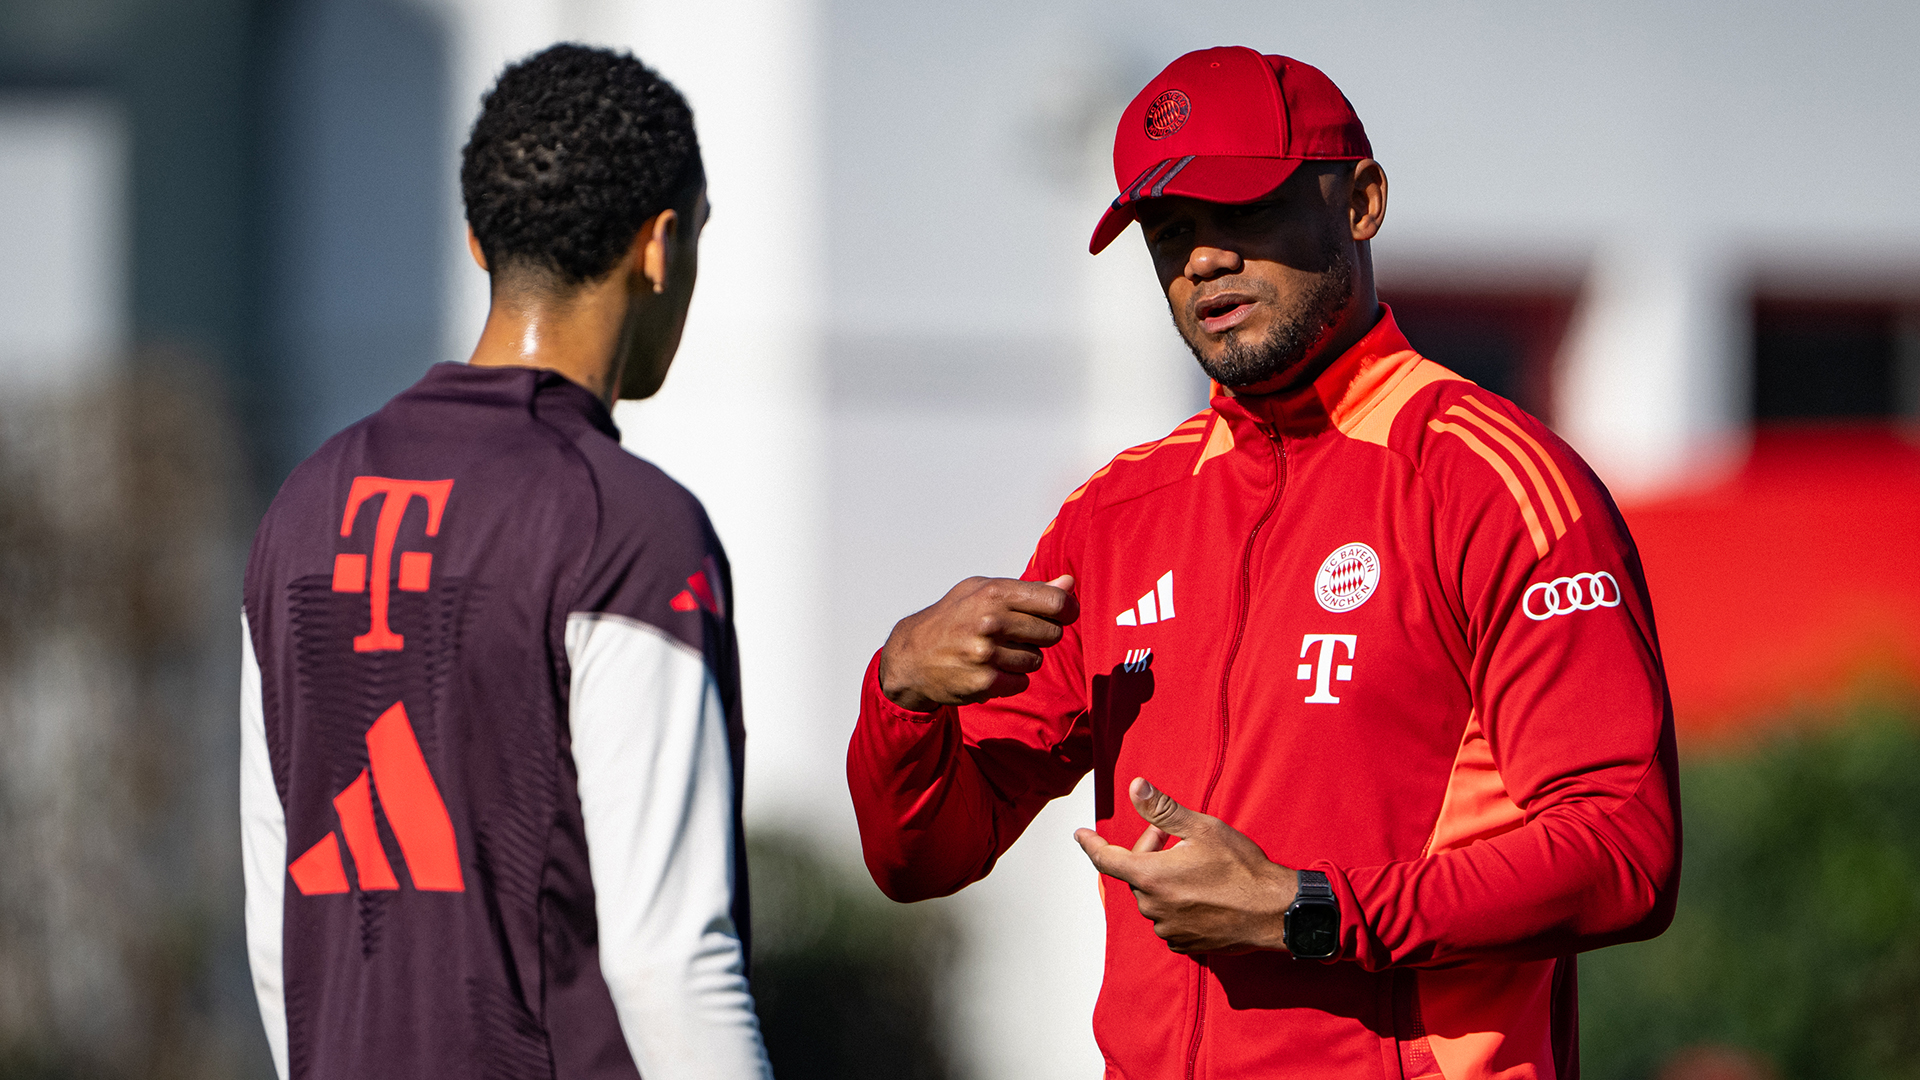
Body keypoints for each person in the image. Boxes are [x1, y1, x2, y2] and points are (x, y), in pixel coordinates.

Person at [847, 46, 1679, 1079]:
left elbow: (1624, 852)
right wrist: (901, 692)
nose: (1202, 260)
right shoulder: (1115, 516)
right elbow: (926, 856)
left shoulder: (1491, 480)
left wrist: (1311, 912)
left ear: (1361, 202)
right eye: (1169, 232)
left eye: (1239, 212)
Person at [241, 44, 773, 1080]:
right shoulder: (629, 528)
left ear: (479, 240)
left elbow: (281, 934)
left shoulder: (300, 510)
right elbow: (670, 960)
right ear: (660, 246)